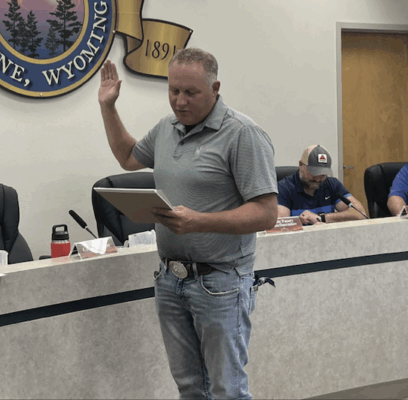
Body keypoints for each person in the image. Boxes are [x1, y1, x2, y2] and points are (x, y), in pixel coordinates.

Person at [98, 48, 278, 399]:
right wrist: (108, 107)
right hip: (170, 279)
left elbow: (266, 213)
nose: (180, 101)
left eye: (191, 92)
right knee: (191, 388)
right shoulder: (167, 128)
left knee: (228, 390)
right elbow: (128, 157)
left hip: (221, 282)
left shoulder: (242, 134)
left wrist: (199, 222)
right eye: (174, 90)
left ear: (215, 88)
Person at [277, 145, 367, 225]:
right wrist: (301, 224)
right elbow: (279, 225)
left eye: (322, 174)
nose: (317, 179)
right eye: (313, 173)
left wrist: (322, 218)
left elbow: (360, 214)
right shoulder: (284, 188)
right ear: (301, 165)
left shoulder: (332, 184)